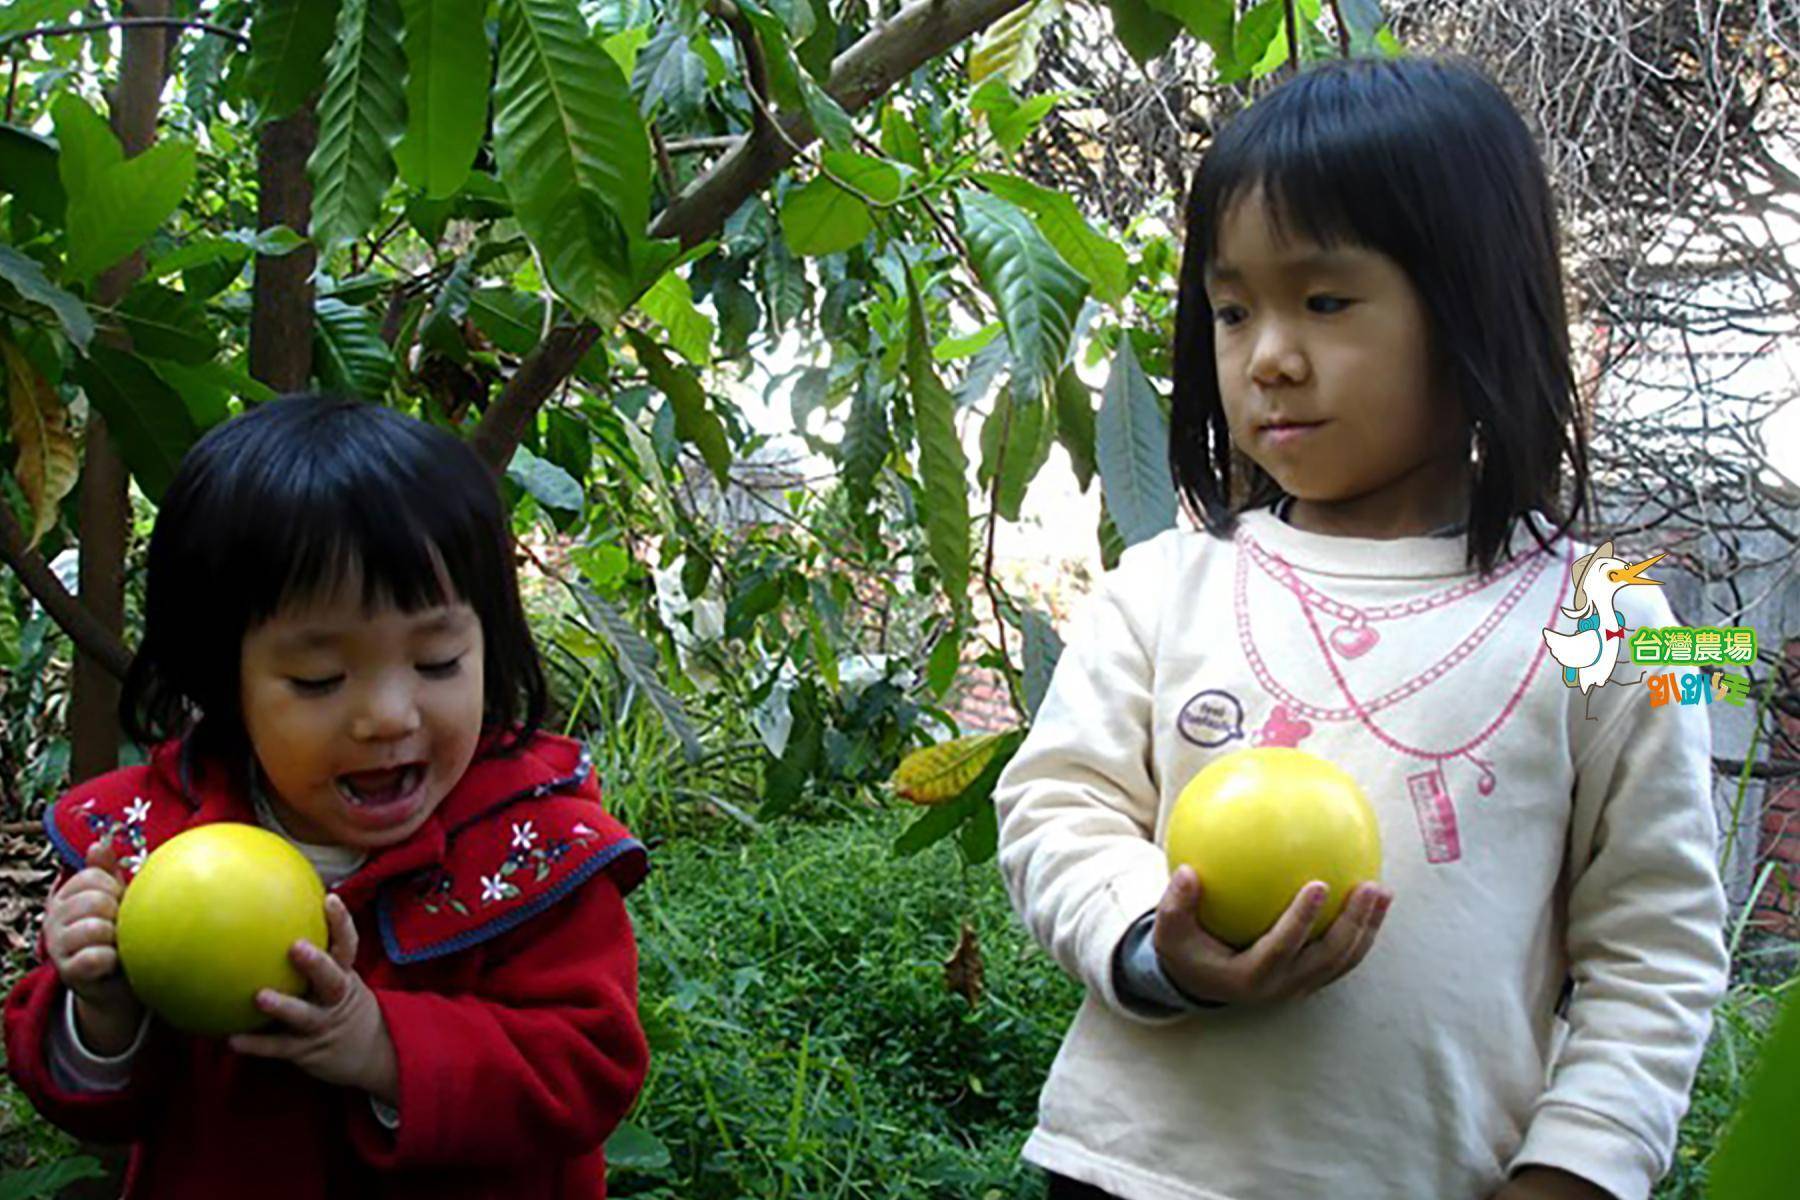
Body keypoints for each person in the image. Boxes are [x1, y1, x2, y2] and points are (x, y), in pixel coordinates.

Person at [995, 56, 1728, 1200]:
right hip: (1132, 1171)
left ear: (1477, 305)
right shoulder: (1163, 586)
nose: (1268, 357)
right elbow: (1056, 805)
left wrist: (1578, 1168)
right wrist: (1154, 940)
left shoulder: (1618, 618)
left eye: (1325, 302)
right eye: (1233, 310)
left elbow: (1661, 940)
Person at [5, 396, 650, 1198]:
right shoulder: (151, 846)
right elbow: (90, 1101)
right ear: (223, 678)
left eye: (440, 661)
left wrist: (382, 1046)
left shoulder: (531, 850)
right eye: (319, 679)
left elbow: (590, 1068)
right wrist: (100, 1007)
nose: (388, 715)